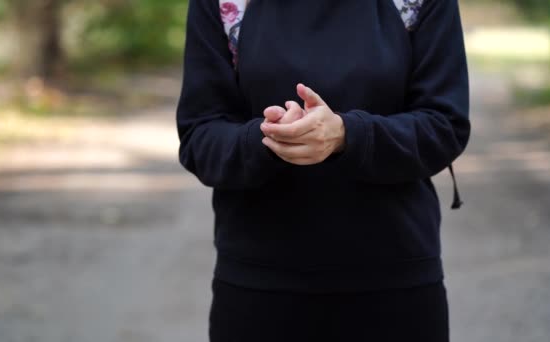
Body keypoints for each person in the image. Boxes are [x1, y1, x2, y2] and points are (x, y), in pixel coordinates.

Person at [176, 0, 470, 340]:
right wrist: (272, 137)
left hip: (395, 282)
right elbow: (200, 136)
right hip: (259, 288)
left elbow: (444, 126)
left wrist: (348, 135)